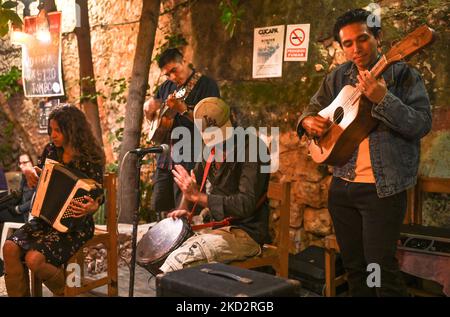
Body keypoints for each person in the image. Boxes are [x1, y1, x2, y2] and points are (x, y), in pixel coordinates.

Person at [296, 9, 431, 297]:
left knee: (380, 271)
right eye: (347, 43)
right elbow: (310, 110)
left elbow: (421, 124)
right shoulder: (337, 77)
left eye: (363, 39)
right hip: (342, 186)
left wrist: (384, 98)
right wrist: (307, 122)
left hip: (382, 190)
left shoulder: (404, 74)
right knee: (355, 269)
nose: (356, 49)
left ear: (378, 38)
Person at [2, 105, 105, 297]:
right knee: (9, 248)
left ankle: (69, 293)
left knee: (34, 260)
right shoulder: (50, 150)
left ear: (72, 130)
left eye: (58, 130)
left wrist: (93, 206)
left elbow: (99, 193)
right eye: (51, 130)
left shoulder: (92, 156)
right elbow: (40, 171)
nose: (53, 135)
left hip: (75, 224)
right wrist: (32, 172)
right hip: (45, 220)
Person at [158, 97, 270, 273]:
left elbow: (245, 204)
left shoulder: (254, 148)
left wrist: (199, 197)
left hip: (246, 233)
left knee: (179, 262)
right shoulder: (209, 149)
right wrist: (185, 211)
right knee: (163, 251)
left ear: (232, 119)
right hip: (216, 227)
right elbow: (194, 185)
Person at [143, 48, 220, 219]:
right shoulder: (166, 87)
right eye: (167, 74)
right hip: (165, 157)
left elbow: (212, 123)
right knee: (163, 209)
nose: (171, 77)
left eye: (174, 71)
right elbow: (154, 113)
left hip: (190, 156)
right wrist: (148, 112)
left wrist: (182, 109)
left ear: (184, 61)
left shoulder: (207, 86)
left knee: (184, 213)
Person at [0, 154, 35, 224]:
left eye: (25, 163)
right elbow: (20, 194)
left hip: (27, 215)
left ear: (32, 163)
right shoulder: (24, 176)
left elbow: (35, 200)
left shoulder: (37, 177)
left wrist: (17, 209)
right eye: (20, 163)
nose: (21, 166)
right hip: (19, 209)